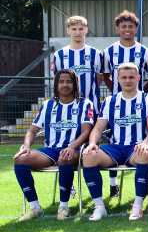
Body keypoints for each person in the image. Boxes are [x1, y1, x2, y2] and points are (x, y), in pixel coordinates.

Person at [81, 63, 148, 221]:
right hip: (115, 147)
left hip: (136, 146)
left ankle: (137, 206)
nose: (128, 80)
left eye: (131, 77)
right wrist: (92, 143)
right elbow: (97, 129)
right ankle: (99, 207)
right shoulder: (110, 101)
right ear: (117, 79)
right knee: (88, 156)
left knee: (144, 155)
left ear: (138, 78)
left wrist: (145, 143)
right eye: (124, 77)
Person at [14, 69, 94, 221]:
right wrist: (26, 146)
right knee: (20, 159)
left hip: (74, 151)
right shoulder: (47, 105)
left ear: (75, 84)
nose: (65, 85)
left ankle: (63, 207)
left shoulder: (85, 104)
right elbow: (32, 131)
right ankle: (35, 208)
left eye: (69, 81)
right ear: (56, 84)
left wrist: (71, 147)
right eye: (61, 81)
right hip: (50, 151)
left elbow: (86, 132)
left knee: (64, 157)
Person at [50, 16, 109, 194]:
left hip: (89, 108)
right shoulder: (59, 55)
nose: (77, 32)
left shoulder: (95, 54)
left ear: (86, 30)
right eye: (74, 29)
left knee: (91, 147)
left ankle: (99, 187)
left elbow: (97, 79)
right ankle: (70, 184)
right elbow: (57, 80)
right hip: (67, 109)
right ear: (68, 31)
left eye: (80, 28)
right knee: (69, 143)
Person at [102, 11, 148, 195]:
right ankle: (113, 184)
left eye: (131, 26)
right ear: (118, 28)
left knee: (139, 137)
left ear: (136, 28)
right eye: (123, 26)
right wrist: (115, 90)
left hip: (138, 102)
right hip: (116, 104)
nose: (127, 29)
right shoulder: (109, 51)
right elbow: (104, 74)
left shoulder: (144, 51)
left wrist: (142, 92)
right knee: (113, 137)